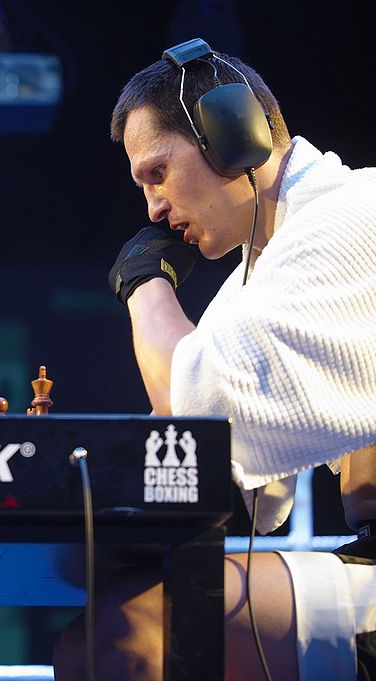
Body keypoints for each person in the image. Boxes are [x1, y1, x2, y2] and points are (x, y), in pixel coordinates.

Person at [52, 40, 376, 680]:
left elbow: (197, 411)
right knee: (98, 634)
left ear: (233, 134)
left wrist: (145, 285)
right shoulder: (267, 267)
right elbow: (222, 475)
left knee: (128, 636)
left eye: (157, 173)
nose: (153, 209)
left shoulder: (353, 216)